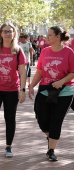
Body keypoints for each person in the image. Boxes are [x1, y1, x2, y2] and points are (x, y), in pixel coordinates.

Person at [28, 26, 74, 161]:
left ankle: (51, 150)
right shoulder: (44, 52)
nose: (47, 38)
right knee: (42, 119)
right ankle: (51, 137)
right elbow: (39, 72)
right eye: (47, 35)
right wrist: (31, 86)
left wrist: (61, 81)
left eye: (50, 35)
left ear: (58, 37)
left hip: (65, 91)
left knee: (56, 121)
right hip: (45, 89)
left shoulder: (68, 52)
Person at [0, 23, 27, 157]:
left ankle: (8, 146)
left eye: (10, 31)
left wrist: (23, 90)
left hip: (12, 89)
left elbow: (22, 72)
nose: (8, 34)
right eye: (5, 31)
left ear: (14, 33)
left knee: (10, 118)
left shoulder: (17, 50)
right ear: (1, 33)